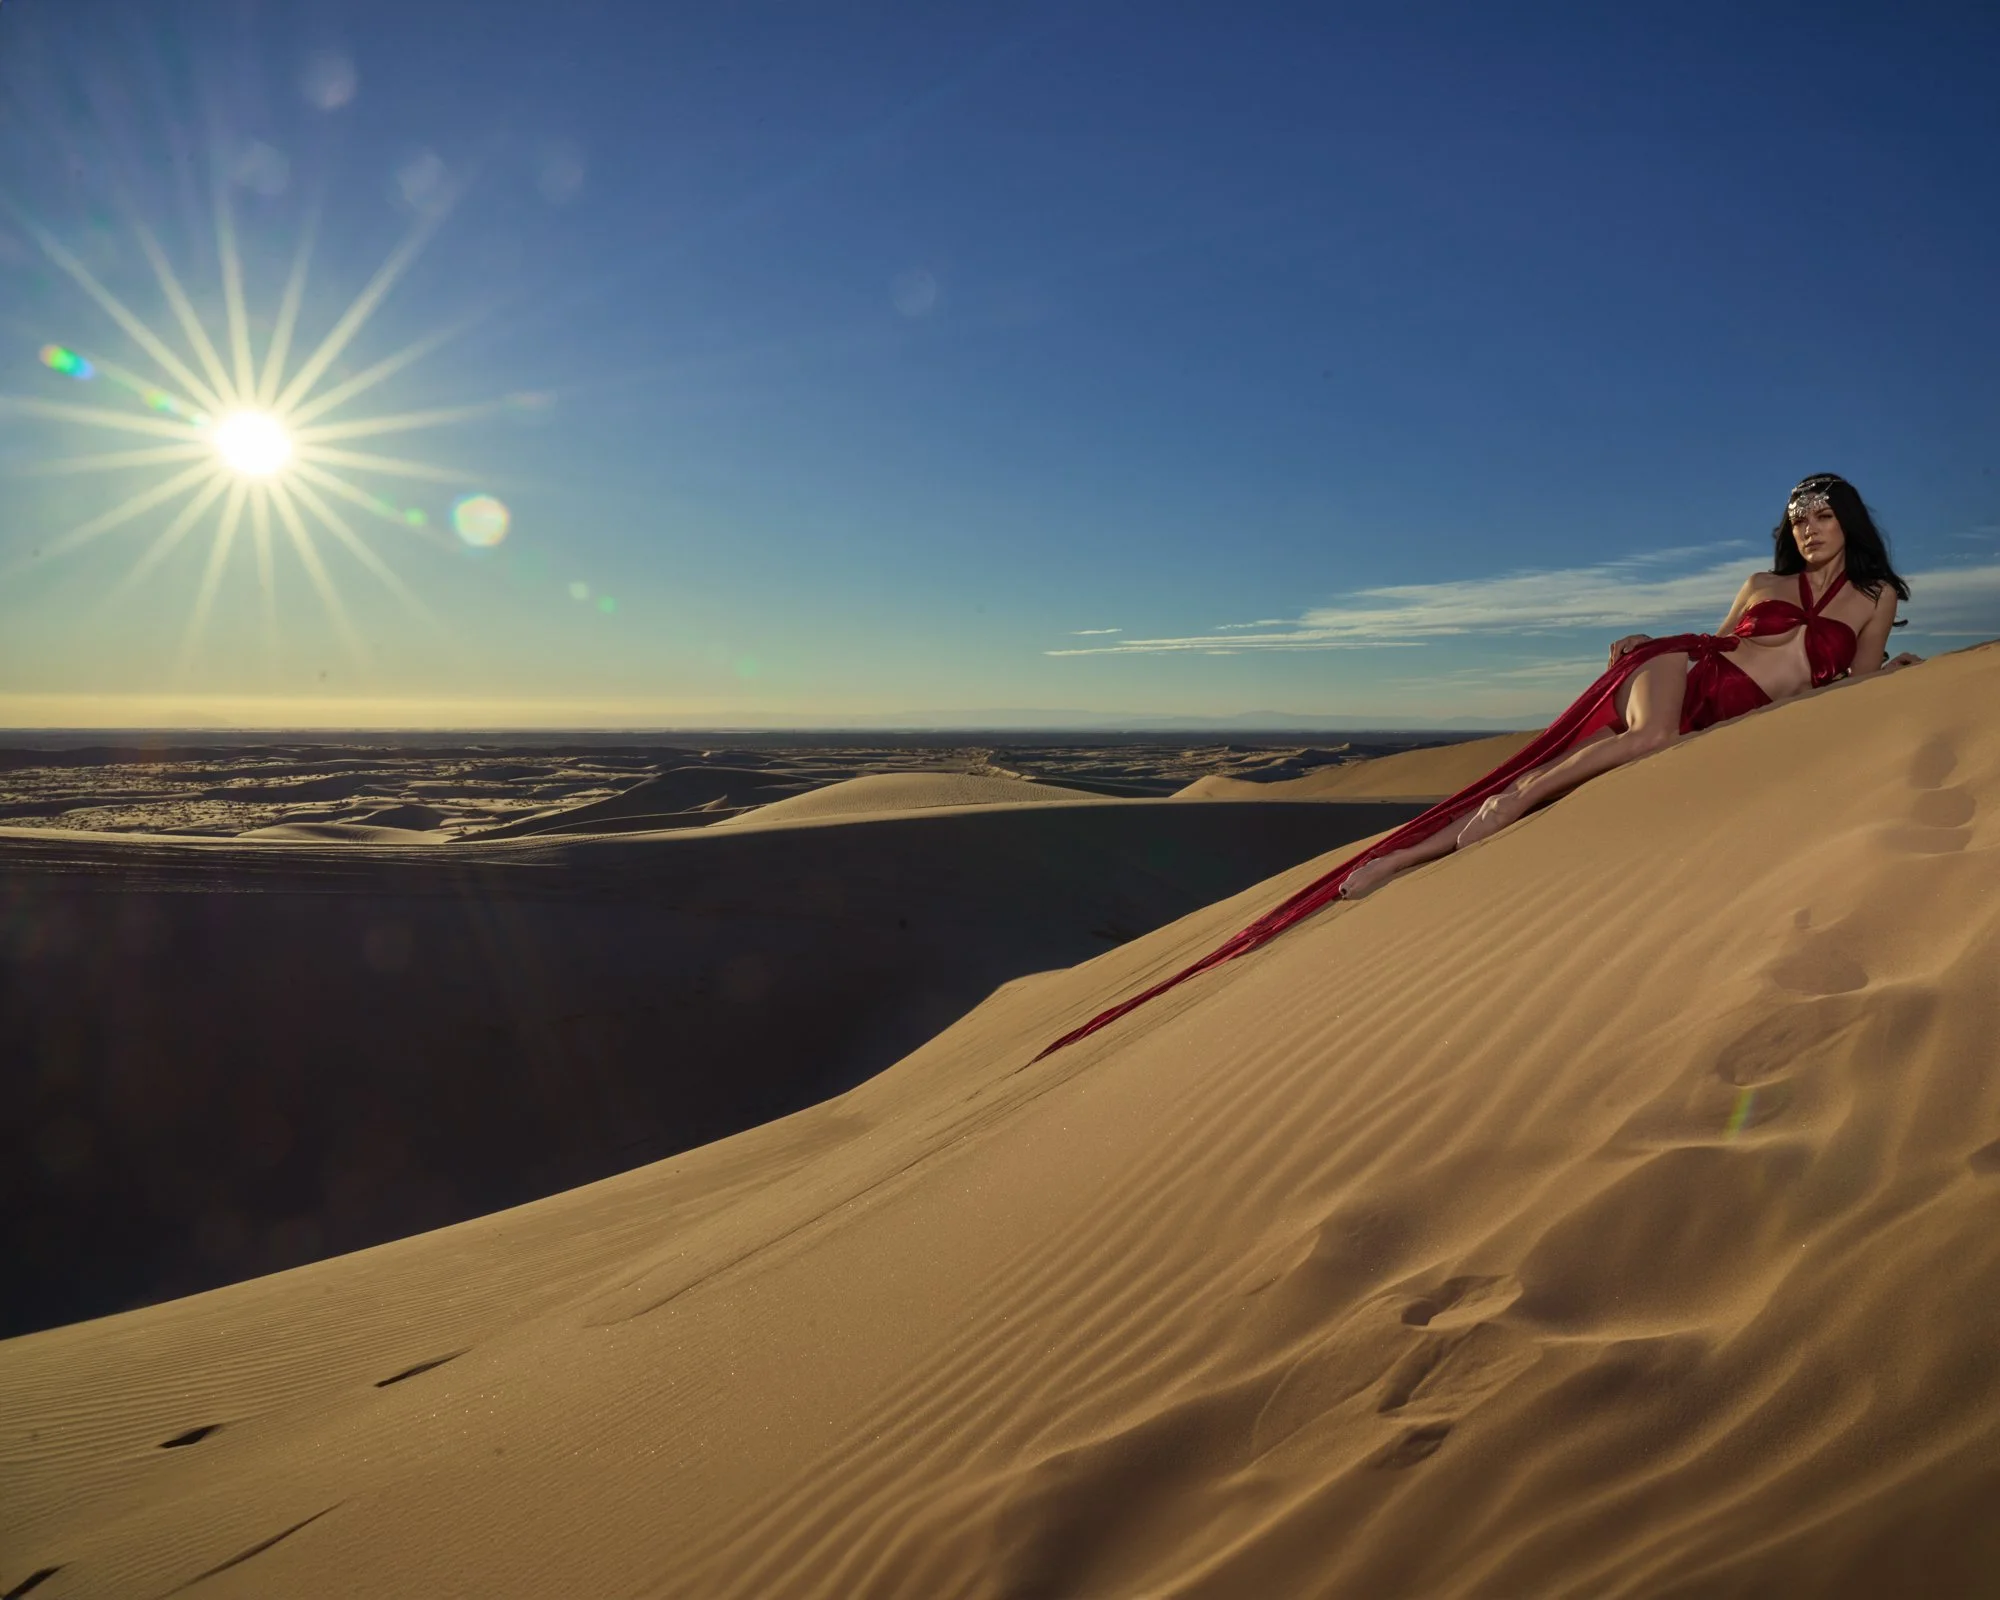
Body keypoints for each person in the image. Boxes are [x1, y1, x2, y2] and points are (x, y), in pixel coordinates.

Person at [1037, 473, 1920, 1060]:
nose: (1808, 531)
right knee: (1638, 747)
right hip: (1685, 671)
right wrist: (1644, 647)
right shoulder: (1759, 589)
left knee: (1628, 760)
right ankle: (1513, 802)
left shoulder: (1876, 599)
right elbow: (1723, 642)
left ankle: (1397, 861)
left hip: (1741, 714)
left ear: (1849, 520)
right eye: (1797, 520)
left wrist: (1892, 678)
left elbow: (1859, 685)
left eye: (1821, 516)